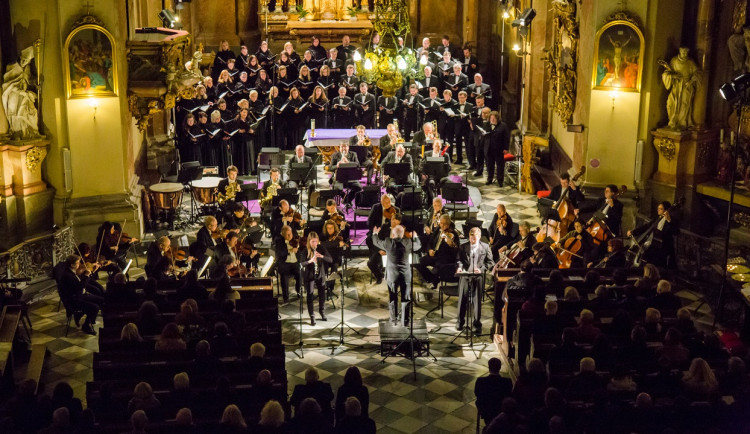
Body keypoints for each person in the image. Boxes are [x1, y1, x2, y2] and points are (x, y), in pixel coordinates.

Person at [372, 224, 421, 326]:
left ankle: (394, 320)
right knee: (406, 298)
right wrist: (415, 236)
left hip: (392, 275)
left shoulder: (388, 242)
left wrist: (375, 233)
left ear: (393, 235)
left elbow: (375, 242)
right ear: (403, 235)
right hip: (405, 275)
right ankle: (405, 322)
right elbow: (418, 245)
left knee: (393, 297)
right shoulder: (408, 242)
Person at [456, 227, 494, 334]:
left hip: (477, 277)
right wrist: (459, 267)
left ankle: (477, 324)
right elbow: (459, 260)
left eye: (475, 237)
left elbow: (491, 263)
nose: (472, 239)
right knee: (462, 299)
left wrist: (481, 269)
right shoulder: (463, 247)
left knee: (476, 301)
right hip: (465, 275)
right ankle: (460, 321)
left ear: (479, 236)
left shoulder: (485, 247)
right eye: (471, 237)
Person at [57, 255, 101, 335]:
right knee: (95, 307)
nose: (79, 264)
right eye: (77, 263)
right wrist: (86, 275)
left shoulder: (72, 271)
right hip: (74, 300)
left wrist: (91, 273)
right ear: (72, 265)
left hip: (80, 295)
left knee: (100, 300)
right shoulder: (67, 276)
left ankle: (80, 314)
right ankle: (86, 325)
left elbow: (82, 282)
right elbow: (79, 287)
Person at [628, 200, 678, 268]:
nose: (658, 210)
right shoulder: (657, 219)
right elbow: (646, 227)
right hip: (654, 245)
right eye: (658, 208)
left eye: (660, 209)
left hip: (663, 247)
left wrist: (669, 220)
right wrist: (633, 232)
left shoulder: (672, 220)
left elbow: (676, 232)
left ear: (666, 210)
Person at [415, 214, 459, 289]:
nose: (442, 225)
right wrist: (429, 250)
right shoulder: (438, 230)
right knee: (419, 262)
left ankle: (435, 280)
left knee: (436, 269)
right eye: (441, 223)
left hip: (444, 258)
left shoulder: (453, 234)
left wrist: (450, 244)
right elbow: (430, 242)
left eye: (445, 224)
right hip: (434, 254)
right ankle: (432, 279)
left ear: (448, 224)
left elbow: (455, 252)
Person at [299, 233, 332, 325]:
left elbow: (330, 259)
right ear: (309, 241)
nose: (315, 244)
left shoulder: (321, 248)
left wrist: (321, 256)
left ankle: (322, 312)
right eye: (313, 241)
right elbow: (301, 264)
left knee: (322, 295)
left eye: (316, 241)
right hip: (310, 276)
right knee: (310, 295)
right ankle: (312, 316)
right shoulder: (305, 250)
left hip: (320, 275)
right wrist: (310, 260)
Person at [367, 194, 400, 284]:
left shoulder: (395, 210)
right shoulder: (376, 207)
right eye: (385, 203)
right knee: (369, 239)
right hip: (378, 232)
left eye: (389, 202)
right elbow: (370, 223)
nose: (387, 205)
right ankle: (379, 273)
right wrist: (376, 232)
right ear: (381, 202)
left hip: (390, 236)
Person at [474, 357, 514, 426]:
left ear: (489, 368)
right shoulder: (507, 382)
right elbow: (509, 395)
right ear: (499, 368)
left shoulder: (480, 381)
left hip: (486, 411)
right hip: (501, 411)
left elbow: (477, 394)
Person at [273, 225, 301, 302]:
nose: (290, 236)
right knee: (284, 277)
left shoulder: (295, 239)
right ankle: (286, 296)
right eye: (287, 234)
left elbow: (301, 250)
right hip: (284, 263)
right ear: (283, 234)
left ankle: (298, 291)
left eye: (290, 233)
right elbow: (279, 253)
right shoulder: (279, 241)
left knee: (299, 274)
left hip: (295, 262)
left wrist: (298, 248)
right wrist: (289, 250)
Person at [329, 141, 361, 205]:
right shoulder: (335, 155)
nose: (343, 149)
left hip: (351, 178)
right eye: (342, 147)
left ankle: (347, 200)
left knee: (359, 187)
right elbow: (330, 168)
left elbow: (358, 165)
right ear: (339, 148)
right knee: (336, 188)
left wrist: (348, 162)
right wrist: (337, 165)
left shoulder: (353, 154)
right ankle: (346, 199)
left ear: (348, 147)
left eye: (345, 146)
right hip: (338, 178)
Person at [484, 110, 510, 187]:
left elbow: (506, 138)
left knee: (500, 165)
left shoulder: (503, 126)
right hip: (489, 148)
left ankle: (500, 181)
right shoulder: (487, 125)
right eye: (491, 118)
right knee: (489, 165)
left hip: (499, 149)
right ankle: (489, 179)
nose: (492, 120)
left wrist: (506, 148)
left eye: (494, 118)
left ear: (497, 119)